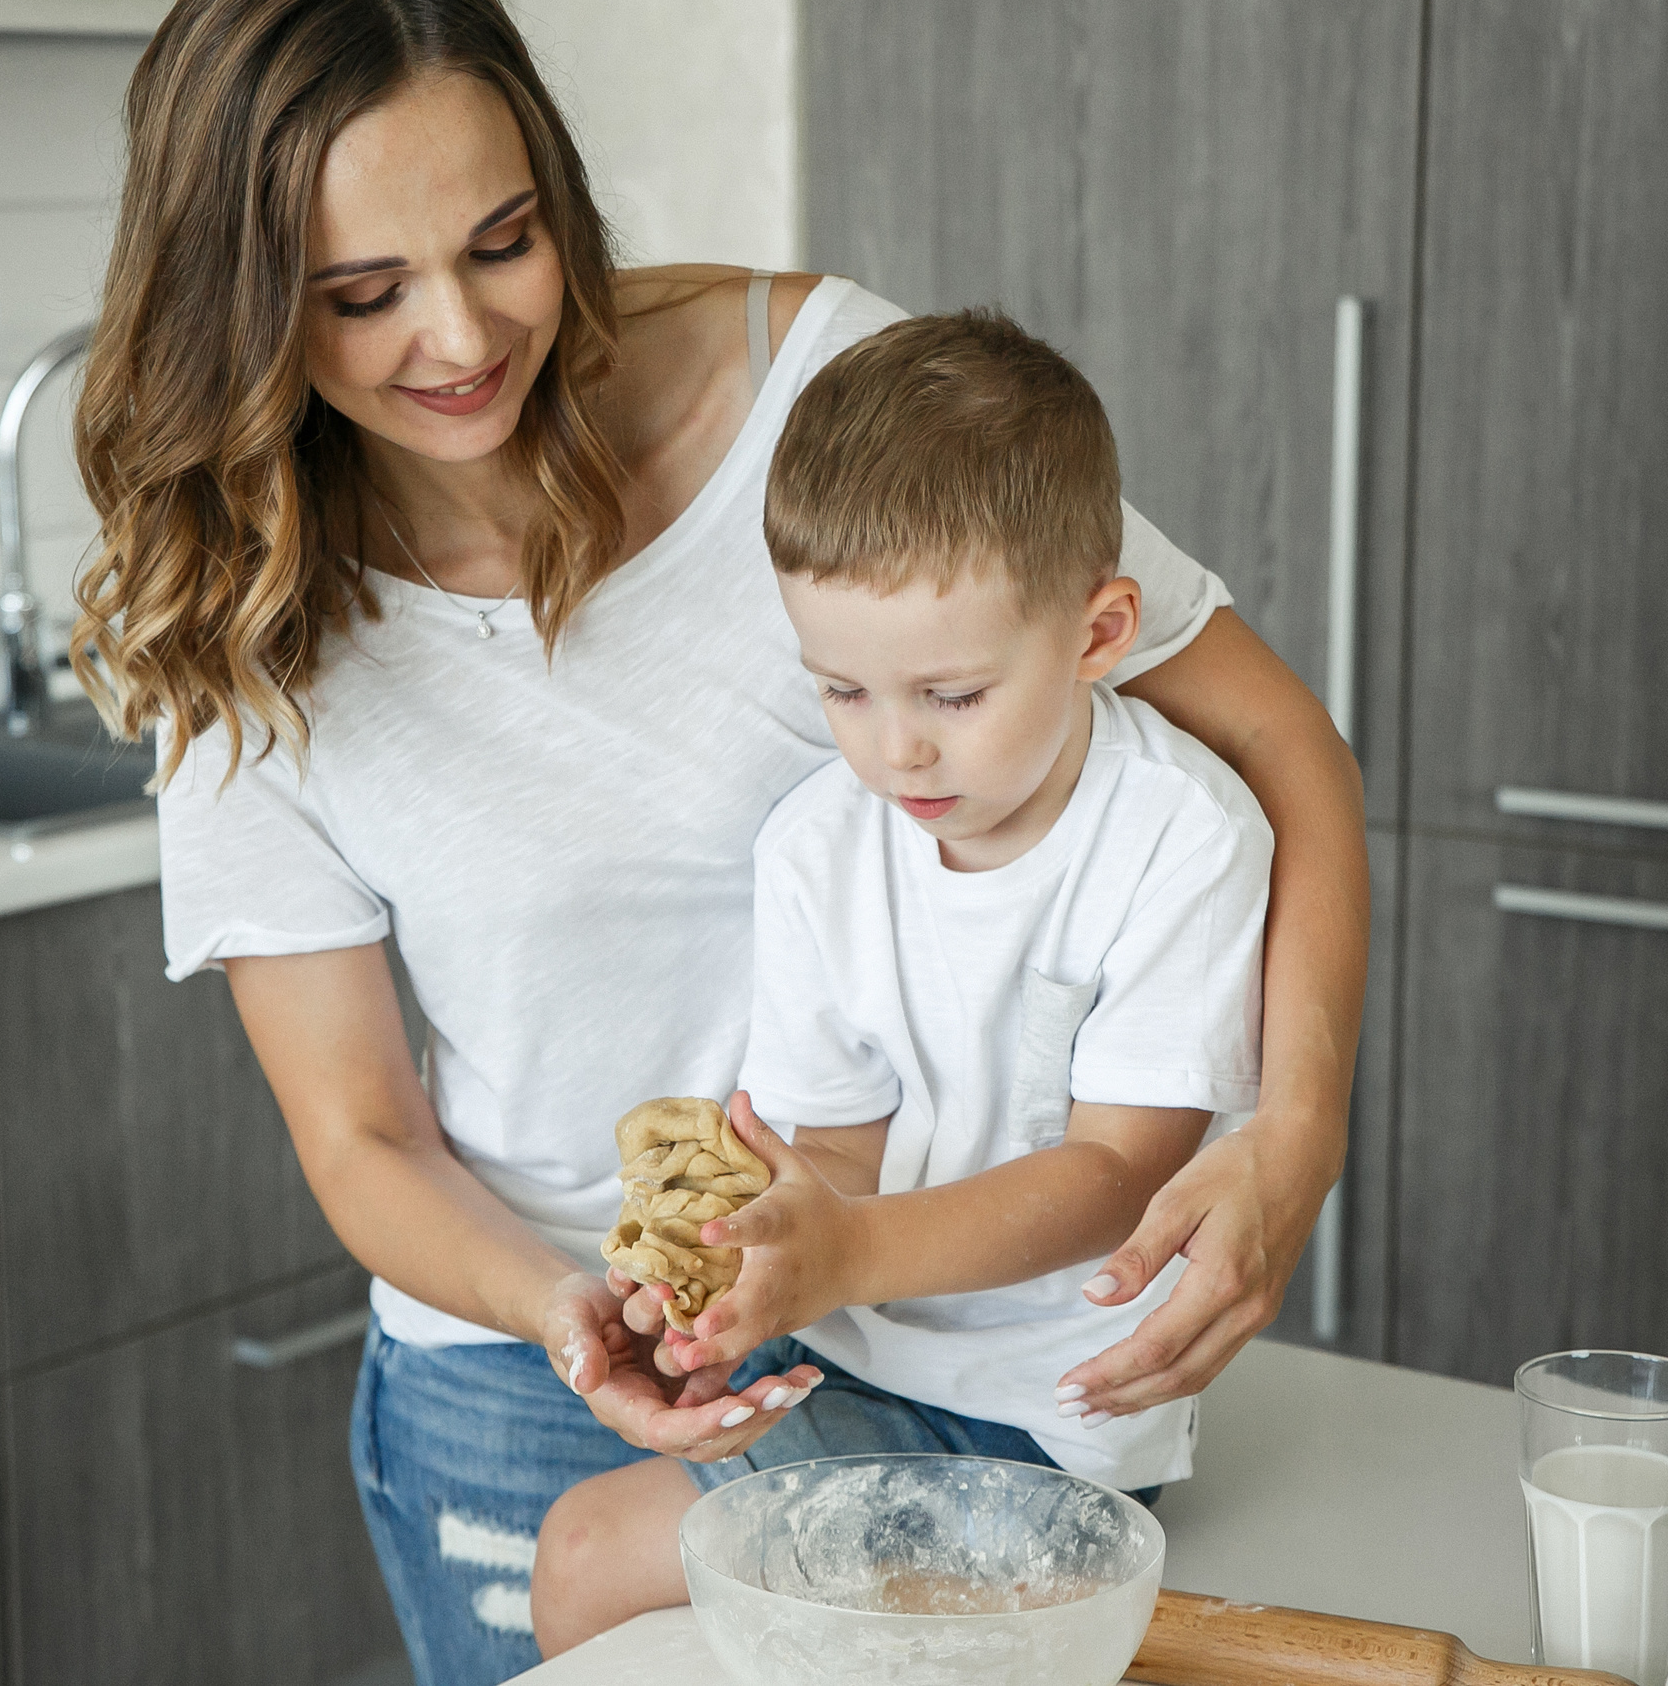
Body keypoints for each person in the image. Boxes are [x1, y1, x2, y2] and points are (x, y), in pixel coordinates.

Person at [72, 0, 1367, 1681]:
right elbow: (362, 1134)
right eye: (364, 295)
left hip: (911, 1347)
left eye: (505, 241)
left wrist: (1297, 1137)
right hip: (511, 1374)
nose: (460, 339)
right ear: (240, 315)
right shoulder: (238, 616)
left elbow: (1279, 744)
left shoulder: (823, 405)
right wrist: (565, 1312)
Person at [530, 309, 1274, 1654]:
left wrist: (851, 1253)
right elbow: (840, 1152)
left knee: (592, 1558)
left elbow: (1122, 1177)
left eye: (952, 693)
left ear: (1101, 629)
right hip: (864, 1366)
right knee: (591, 1547)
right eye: (844, 692)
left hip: (1058, 1432)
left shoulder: (1184, 833)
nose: (897, 753)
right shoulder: (820, 846)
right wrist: (749, 1264)